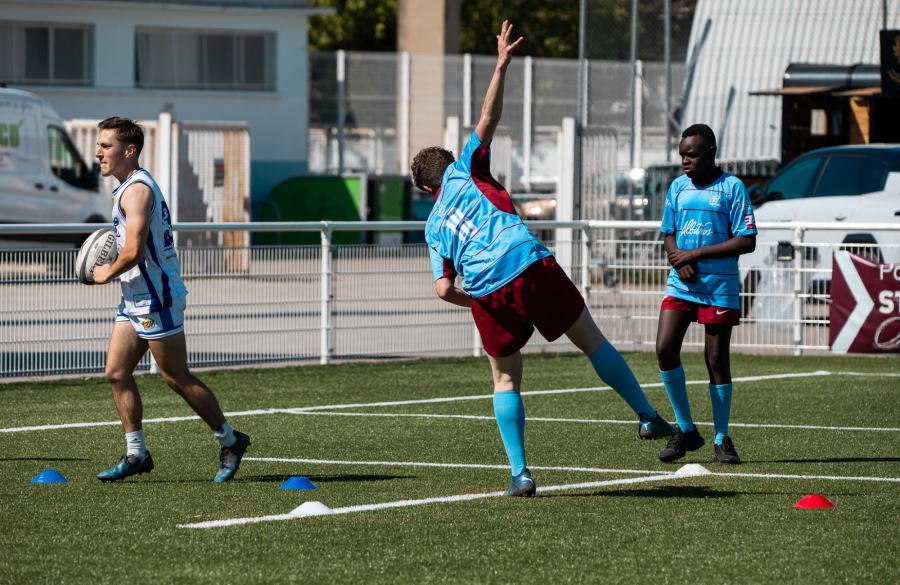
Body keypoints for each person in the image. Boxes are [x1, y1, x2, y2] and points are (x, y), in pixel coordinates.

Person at [414, 21, 675, 497]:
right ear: (448, 166)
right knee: (591, 341)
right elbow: (488, 119)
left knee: (505, 378)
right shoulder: (464, 169)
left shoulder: (432, 226)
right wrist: (500, 65)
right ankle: (646, 417)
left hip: (487, 290)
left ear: (424, 191)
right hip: (527, 261)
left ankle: (521, 474)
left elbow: (443, 288)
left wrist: (476, 301)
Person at [91, 117, 250, 482]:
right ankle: (136, 454)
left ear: (129, 151)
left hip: (156, 298)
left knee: (175, 377)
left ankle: (230, 439)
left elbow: (133, 251)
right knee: (116, 373)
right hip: (135, 298)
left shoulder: (136, 190)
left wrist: (104, 271)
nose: (98, 152)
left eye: (106, 145)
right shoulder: (127, 187)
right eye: (99, 145)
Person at [655, 123, 757, 465]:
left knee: (715, 360)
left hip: (719, 286)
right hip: (681, 284)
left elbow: (747, 240)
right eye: (682, 153)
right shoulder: (677, 188)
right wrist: (676, 257)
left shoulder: (732, 187)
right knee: (665, 349)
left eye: (692, 154)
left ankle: (721, 438)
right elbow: (668, 233)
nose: (685, 160)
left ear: (711, 152)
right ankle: (686, 430)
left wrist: (695, 255)